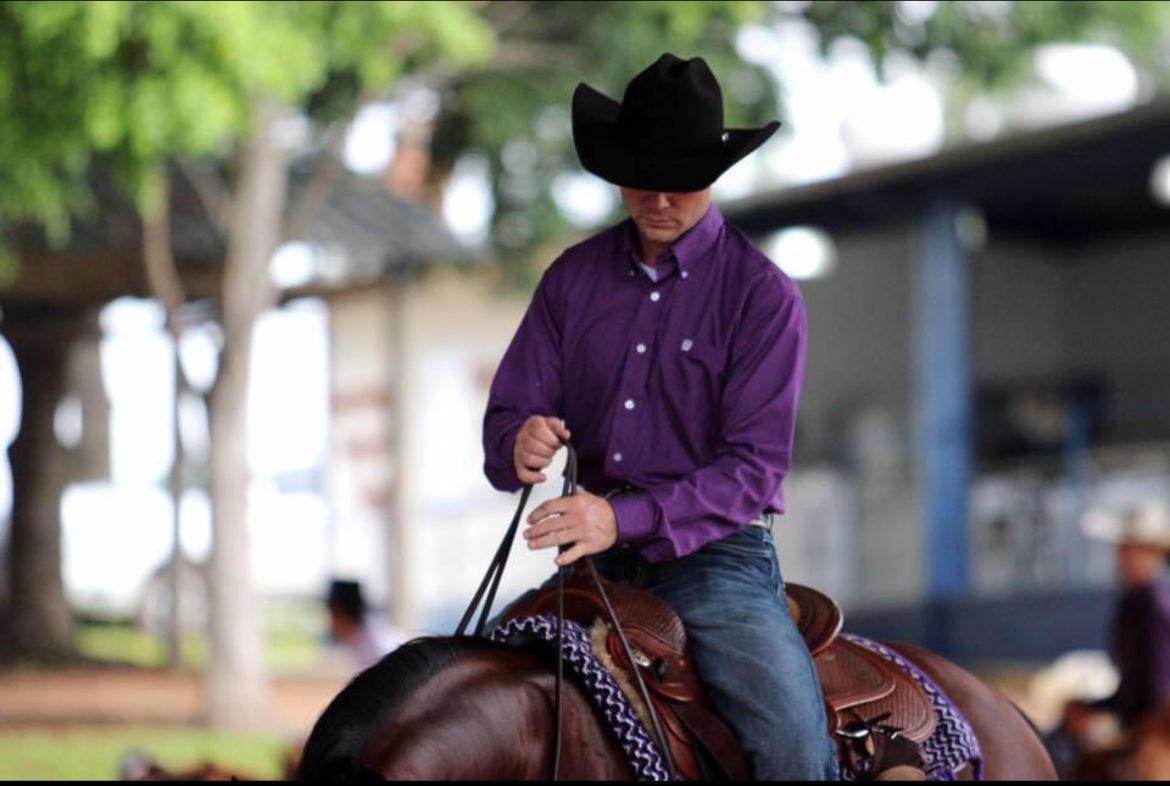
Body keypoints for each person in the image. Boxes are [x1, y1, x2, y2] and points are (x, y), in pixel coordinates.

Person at [483, 53, 839, 780]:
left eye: (681, 180)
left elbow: (753, 468)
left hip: (714, 561)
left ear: (713, 174)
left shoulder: (761, 296)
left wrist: (622, 519)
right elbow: (512, 409)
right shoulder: (572, 281)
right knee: (476, 696)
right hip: (586, 558)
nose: (661, 199)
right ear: (618, 171)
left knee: (794, 752)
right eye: (643, 177)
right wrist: (515, 440)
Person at [326, 578, 403, 673]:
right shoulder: (358, 638)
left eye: (333, 615)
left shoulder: (374, 643)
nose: (330, 623)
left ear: (341, 614)